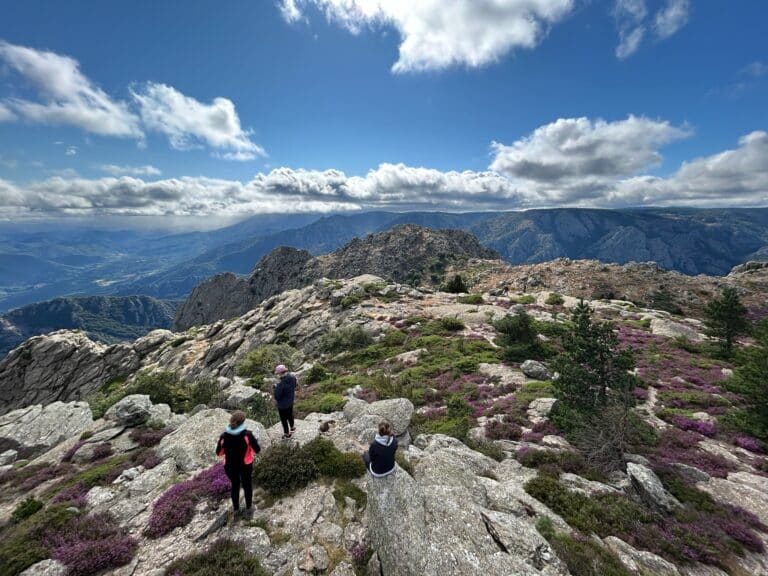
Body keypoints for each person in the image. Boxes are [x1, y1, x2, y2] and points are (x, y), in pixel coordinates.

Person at [216, 410, 260, 518]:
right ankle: (249, 509)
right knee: (247, 486)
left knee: (235, 486)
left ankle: (236, 511)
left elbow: (219, 453)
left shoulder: (223, 436)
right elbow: (257, 449)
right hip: (245, 465)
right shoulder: (247, 435)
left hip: (230, 466)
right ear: (243, 422)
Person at [273, 364, 297, 439]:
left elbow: (277, 397)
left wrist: (275, 388)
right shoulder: (292, 377)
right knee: (290, 414)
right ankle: (292, 427)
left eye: (277, 373)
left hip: (282, 405)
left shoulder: (281, 384)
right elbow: (294, 385)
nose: (277, 375)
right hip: (290, 401)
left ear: (280, 373)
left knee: (284, 419)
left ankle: (286, 433)